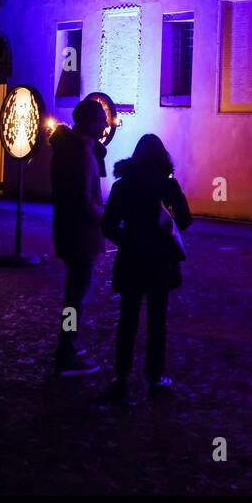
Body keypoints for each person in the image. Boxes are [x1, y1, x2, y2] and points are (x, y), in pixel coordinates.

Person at [101, 135, 193, 404]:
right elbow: (186, 220)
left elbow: (108, 225)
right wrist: (166, 230)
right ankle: (155, 376)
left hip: (131, 259)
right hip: (160, 261)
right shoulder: (168, 186)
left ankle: (121, 376)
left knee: (127, 320)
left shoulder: (122, 186)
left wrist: (127, 240)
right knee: (157, 321)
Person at [49, 99, 109, 377]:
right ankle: (67, 350)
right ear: (89, 122)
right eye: (101, 120)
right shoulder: (82, 154)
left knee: (74, 293)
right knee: (76, 298)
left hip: (67, 229)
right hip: (81, 233)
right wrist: (106, 216)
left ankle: (68, 344)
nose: (106, 125)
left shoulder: (66, 149)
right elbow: (85, 200)